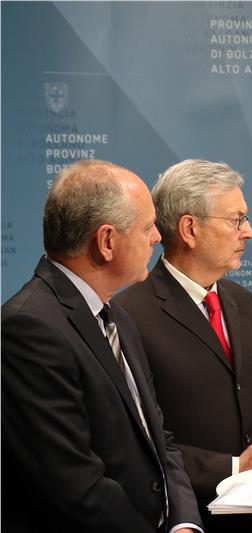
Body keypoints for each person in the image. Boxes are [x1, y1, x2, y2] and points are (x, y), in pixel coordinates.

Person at [1, 159, 202, 533]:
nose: (156, 237)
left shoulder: (117, 317)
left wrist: (184, 523)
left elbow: (157, 439)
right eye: (146, 227)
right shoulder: (28, 328)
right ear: (107, 241)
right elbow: (73, 485)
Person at [115, 159, 252, 533]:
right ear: (190, 229)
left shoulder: (245, 304)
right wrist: (234, 467)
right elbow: (137, 443)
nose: (249, 232)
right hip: (182, 518)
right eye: (236, 220)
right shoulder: (128, 315)